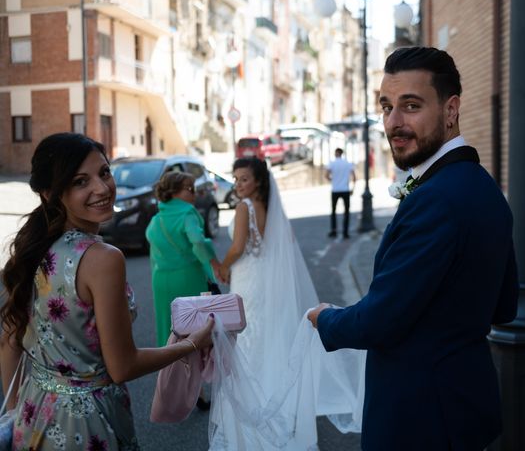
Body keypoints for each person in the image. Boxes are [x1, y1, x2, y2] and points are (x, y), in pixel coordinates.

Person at [308, 46, 519, 450]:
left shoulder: (436, 199)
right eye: (387, 107)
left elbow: (377, 322)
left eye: (411, 105)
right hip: (464, 409)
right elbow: (504, 306)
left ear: (451, 108)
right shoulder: (484, 188)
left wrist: (323, 319)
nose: (393, 123)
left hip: (420, 418)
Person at [0, 133, 214, 450]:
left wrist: (17, 409)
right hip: (87, 425)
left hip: (32, 417)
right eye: (79, 182)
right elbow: (123, 366)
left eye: (104, 172)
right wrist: (191, 344)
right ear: (50, 193)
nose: (102, 188)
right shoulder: (103, 259)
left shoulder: (33, 248)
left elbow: (9, 339)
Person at [211, 157, 363, 449]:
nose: (238, 184)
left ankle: (251, 403)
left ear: (258, 181)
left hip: (248, 279)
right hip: (261, 279)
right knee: (262, 336)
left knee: (248, 339)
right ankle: (272, 395)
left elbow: (238, 246)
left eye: (244, 179)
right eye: (236, 178)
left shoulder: (244, 208)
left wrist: (222, 265)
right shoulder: (269, 207)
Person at [145, 171, 221, 348]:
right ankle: (195, 370)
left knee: (168, 327)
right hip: (187, 275)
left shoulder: (156, 219)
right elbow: (198, 241)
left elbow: (153, 255)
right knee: (196, 327)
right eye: (190, 189)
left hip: (161, 279)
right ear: (173, 192)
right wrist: (212, 263)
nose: (195, 193)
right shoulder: (187, 213)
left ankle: (170, 368)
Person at [325, 148, 356, 239]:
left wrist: (333, 181)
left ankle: (334, 231)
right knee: (346, 211)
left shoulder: (332, 163)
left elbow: (326, 175)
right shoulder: (347, 163)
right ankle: (345, 232)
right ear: (342, 153)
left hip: (335, 190)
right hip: (345, 190)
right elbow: (354, 177)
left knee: (333, 211)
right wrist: (352, 189)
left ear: (335, 153)